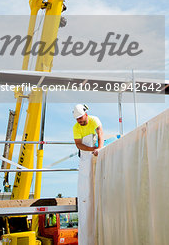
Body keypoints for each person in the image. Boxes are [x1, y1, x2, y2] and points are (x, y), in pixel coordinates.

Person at [73, 104, 104, 245]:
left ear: (86, 114)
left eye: (80, 118)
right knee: (86, 189)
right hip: (85, 156)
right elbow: (78, 144)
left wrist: (100, 148)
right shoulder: (76, 128)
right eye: (77, 119)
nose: (79, 121)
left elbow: (100, 134)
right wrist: (91, 149)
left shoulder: (94, 120)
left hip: (95, 150)